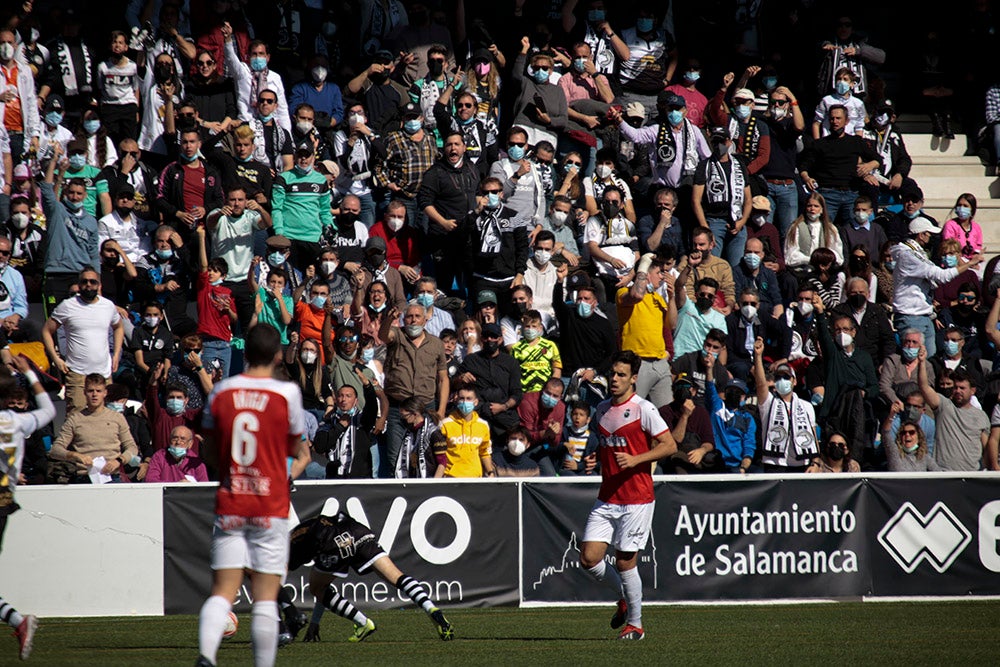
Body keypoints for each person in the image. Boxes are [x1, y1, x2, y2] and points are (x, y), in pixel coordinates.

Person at [195, 323, 310, 667]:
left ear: (245, 353)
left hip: (231, 500)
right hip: (270, 504)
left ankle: (206, 656)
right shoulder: (287, 394)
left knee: (222, 591)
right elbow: (296, 448)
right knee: (264, 596)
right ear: (277, 355)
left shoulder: (221, 391)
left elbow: (210, 454)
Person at [579, 350, 676, 641]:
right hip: (607, 496)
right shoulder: (602, 410)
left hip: (637, 497)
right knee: (589, 558)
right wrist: (596, 459)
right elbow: (608, 445)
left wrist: (637, 460)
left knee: (624, 562)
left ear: (634, 379)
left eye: (622, 375)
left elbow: (669, 445)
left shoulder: (644, 408)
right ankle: (624, 597)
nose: (615, 379)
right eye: (613, 374)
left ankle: (636, 624)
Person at [285, 510, 453, 643]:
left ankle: (363, 623)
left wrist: (314, 621)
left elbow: (315, 588)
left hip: (334, 540)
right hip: (356, 530)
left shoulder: (289, 545)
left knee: (317, 587)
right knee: (397, 577)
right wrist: (315, 622)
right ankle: (431, 608)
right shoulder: (299, 532)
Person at [0, 357, 55, 660]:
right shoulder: (17, 421)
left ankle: (18, 620)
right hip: (5, 501)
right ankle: (17, 621)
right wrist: (31, 376)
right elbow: (48, 411)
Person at [891, 217, 982, 358]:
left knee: (931, 360)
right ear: (921, 235)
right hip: (911, 316)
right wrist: (969, 264)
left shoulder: (917, 253)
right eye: (929, 234)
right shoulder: (907, 255)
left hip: (923, 314)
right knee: (914, 359)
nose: (931, 238)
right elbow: (940, 275)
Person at [42, 267, 124, 413]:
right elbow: (47, 330)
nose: (88, 285)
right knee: (76, 418)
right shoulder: (67, 306)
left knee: (104, 419)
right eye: (84, 281)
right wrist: (56, 358)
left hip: (104, 374)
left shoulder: (108, 306)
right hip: (77, 374)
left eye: (93, 282)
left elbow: (118, 327)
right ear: (79, 285)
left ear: (99, 285)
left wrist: (116, 354)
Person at [797, 105, 881, 227]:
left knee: (853, 229)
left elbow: (878, 159)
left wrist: (870, 166)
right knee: (824, 229)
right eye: (832, 119)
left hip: (851, 193)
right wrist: (807, 178)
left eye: (838, 118)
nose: (835, 122)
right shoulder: (819, 144)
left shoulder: (856, 142)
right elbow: (804, 166)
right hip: (827, 193)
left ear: (846, 121)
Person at [49, 374, 139, 483]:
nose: (94, 395)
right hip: (84, 477)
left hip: (112, 477)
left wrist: (119, 461)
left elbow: (132, 448)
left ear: (105, 393)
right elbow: (55, 450)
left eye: (98, 391)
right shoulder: (75, 419)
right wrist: (75, 456)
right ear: (84, 393)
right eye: (90, 391)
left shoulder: (117, 418)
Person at [917, 346, 989, 472]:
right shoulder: (944, 406)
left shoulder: (981, 416)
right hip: (943, 474)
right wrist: (922, 363)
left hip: (971, 476)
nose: (957, 391)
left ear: (973, 390)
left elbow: (987, 448)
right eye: (955, 387)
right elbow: (924, 387)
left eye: (962, 388)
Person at [753, 339, 819, 471]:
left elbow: (812, 435)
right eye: (778, 378)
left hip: (802, 462)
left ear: (794, 381)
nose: (782, 380)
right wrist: (758, 356)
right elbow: (761, 384)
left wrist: (815, 462)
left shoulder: (806, 406)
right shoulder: (769, 402)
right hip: (775, 463)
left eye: (786, 377)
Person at [617, 253, 671, 407]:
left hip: (659, 363)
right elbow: (637, 294)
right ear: (646, 274)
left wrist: (673, 296)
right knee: (630, 409)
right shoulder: (623, 293)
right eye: (658, 273)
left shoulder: (659, 299)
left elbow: (670, 326)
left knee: (665, 414)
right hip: (637, 362)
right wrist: (643, 264)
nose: (662, 277)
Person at [692, 126, 752, 266]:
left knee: (736, 266)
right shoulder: (704, 165)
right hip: (714, 221)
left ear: (729, 142)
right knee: (711, 265)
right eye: (715, 142)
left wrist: (742, 222)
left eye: (722, 142)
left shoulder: (739, 164)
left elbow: (748, 199)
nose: (719, 146)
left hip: (737, 221)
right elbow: (696, 200)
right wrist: (706, 229)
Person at [704, 355, 754, 474]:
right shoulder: (717, 406)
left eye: (738, 393)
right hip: (714, 462)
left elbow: (749, 443)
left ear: (744, 397)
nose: (734, 394)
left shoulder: (747, 418)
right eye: (731, 391)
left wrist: (744, 466)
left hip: (736, 467)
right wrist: (709, 368)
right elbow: (710, 386)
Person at [436, 386, 495, 478]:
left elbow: (484, 452)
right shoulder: (445, 424)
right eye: (462, 398)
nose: (465, 402)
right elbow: (440, 454)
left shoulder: (483, 425)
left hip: (475, 478)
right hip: (450, 478)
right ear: (456, 399)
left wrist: (490, 472)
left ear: (476, 402)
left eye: (469, 399)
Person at [144, 425, 208, 483]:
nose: (178, 442)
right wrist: (176, 485)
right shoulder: (159, 456)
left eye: (183, 439)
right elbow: (150, 480)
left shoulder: (196, 462)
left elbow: (204, 486)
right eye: (175, 438)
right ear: (169, 440)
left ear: (190, 444)